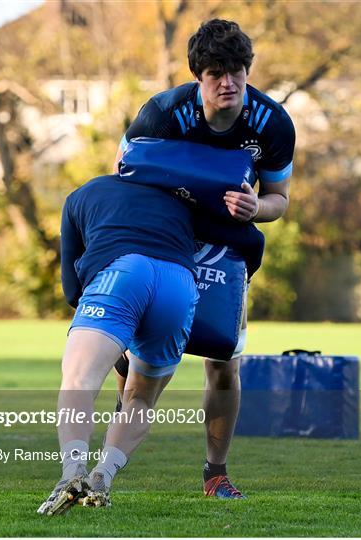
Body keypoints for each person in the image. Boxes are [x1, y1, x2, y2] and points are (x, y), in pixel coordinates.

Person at [113, 19, 295, 499]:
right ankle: (108, 468)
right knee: (150, 364)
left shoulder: (272, 123)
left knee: (223, 360)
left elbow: (279, 199)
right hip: (162, 241)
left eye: (236, 70)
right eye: (216, 71)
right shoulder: (161, 115)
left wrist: (257, 207)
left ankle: (216, 474)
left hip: (227, 249)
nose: (228, 82)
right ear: (198, 75)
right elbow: (123, 183)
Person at [38, 156, 265, 515]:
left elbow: (70, 289)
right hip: (178, 285)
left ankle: (72, 471)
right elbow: (249, 239)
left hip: (122, 271)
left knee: (80, 379)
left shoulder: (84, 194)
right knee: (140, 400)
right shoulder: (180, 198)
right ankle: (104, 475)